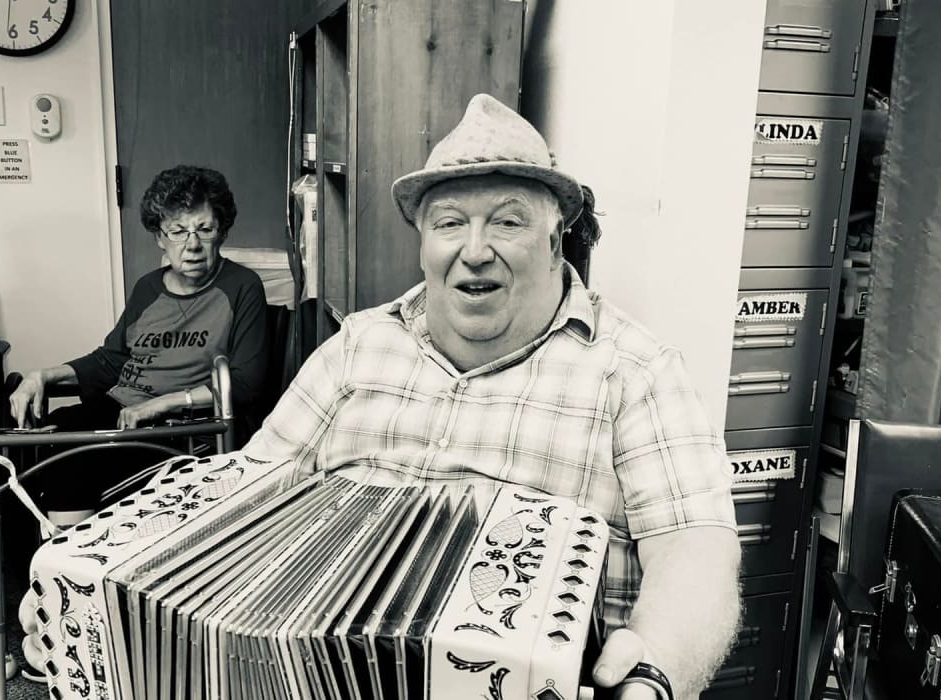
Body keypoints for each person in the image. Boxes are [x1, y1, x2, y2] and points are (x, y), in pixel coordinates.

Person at [243, 94, 741, 699]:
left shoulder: (636, 375)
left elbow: (697, 553)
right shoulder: (356, 349)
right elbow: (251, 491)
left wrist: (655, 669)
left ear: (556, 243)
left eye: (507, 221)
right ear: (424, 242)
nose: (474, 250)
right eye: (450, 223)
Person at [8, 164, 269, 523]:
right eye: (178, 231)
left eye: (204, 229)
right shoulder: (148, 288)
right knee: (37, 444)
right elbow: (111, 360)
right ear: (160, 237)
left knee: (71, 465)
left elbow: (245, 383)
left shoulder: (242, 287)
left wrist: (160, 405)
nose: (191, 245)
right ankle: (53, 558)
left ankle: (74, 565)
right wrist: (42, 376)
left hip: (183, 428)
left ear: (221, 232)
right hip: (120, 412)